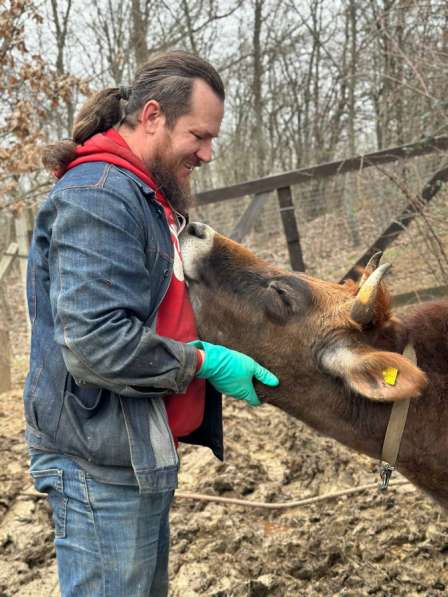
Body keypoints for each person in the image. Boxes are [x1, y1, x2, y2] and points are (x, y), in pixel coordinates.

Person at [23, 50, 279, 597]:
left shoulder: (142, 196)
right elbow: (95, 344)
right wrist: (206, 363)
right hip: (98, 464)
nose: (208, 153)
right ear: (154, 116)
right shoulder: (98, 198)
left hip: (133, 451)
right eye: (200, 135)